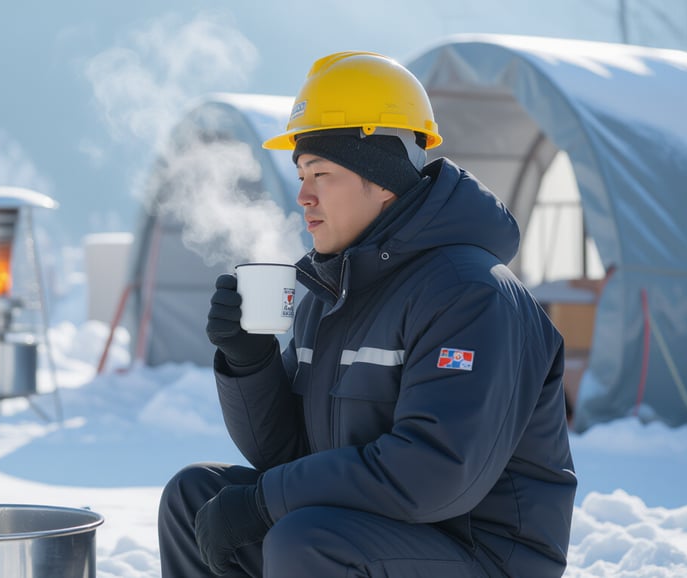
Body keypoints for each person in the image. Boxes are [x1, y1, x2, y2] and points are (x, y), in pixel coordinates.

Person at [157, 51, 577, 577]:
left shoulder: (470, 294)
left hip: (484, 553)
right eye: (300, 175)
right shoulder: (334, 292)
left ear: (382, 179)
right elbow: (286, 455)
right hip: (384, 531)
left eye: (321, 173)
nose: (303, 196)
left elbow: (435, 473)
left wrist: (264, 504)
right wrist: (250, 361)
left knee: (305, 540)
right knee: (193, 498)